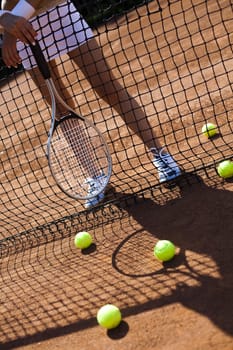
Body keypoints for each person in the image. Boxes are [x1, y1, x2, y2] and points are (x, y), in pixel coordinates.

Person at [0, 0, 181, 209]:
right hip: (15, 27)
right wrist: (5, 21)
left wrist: (10, 32)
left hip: (56, 13)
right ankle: (95, 177)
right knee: (59, 108)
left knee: (107, 87)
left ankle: (160, 154)